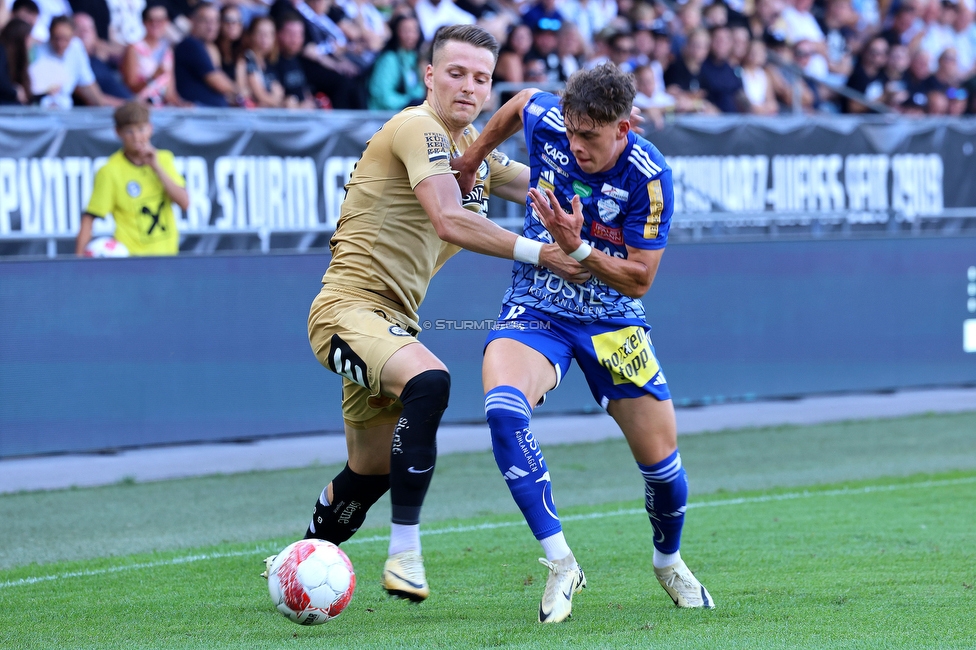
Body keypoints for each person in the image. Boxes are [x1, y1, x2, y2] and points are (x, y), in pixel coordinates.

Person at [273, 24, 585, 604]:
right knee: (431, 380)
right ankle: (405, 552)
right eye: (457, 73)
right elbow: (448, 218)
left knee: (368, 473)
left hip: (392, 321)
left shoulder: (472, 154)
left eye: (482, 77)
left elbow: (555, 185)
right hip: (347, 310)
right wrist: (542, 253)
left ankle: (295, 566)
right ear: (429, 75)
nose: (469, 87)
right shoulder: (417, 127)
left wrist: (613, 155)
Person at [451, 63, 715, 623]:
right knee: (502, 410)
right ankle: (561, 561)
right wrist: (473, 158)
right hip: (536, 306)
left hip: (613, 319)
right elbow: (522, 101)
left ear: (624, 127)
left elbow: (641, 278)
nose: (574, 146)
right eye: (570, 132)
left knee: (664, 470)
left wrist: (577, 251)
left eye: (589, 137)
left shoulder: (650, 176)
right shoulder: (551, 122)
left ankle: (668, 562)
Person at [75, 101, 189, 257]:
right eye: (129, 131)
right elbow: (89, 218)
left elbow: (184, 203)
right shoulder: (110, 171)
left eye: (141, 129)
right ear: (118, 132)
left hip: (167, 258)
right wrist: (78, 264)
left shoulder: (164, 159)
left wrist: (156, 167)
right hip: (133, 263)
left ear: (150, 128)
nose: (137, 137)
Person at [29, 15, 121, 107]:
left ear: (73, 35)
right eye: (56, 38)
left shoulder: (76, 48)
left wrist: (102, 105)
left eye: (65, 39)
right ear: (50, 34)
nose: (60, 44)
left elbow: (87, 84)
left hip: (65, 109)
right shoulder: (37, 51)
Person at [173, 2, 235, 107]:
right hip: (198, 116)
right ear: (192, 21)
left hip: (209, 115)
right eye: (205, 21)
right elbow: (219, 84)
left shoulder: (209, 47)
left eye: (215, 21)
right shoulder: (191, 44)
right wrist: (242, 91)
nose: (211, 26)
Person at [120, 3, 182, 106]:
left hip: (163, 109)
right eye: (151, 20)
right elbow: (130, 88)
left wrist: (180, 103)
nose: (155, 24)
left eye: (160, 20)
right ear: (144, 22)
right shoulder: (134, 49)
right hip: (142, 108)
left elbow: (171, 92)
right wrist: (153, 77)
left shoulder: (168, 51)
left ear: (167, 22)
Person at [367, 14, 426, 110]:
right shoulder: (389, 59)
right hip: (383, 116)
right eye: (406, 31)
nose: (410, 35)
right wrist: (409, 102)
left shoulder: (415, 58)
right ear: (396, 32)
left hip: (407, 112)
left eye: (414, 31)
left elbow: (417, 91)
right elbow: (384, 96)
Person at [235, 15, 286, 108]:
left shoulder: (268, 62)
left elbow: (279, 91)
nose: (265, 38)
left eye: (270, 34)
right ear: (251, 35)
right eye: (260, 33)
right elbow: (260, 95)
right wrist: (283, 104)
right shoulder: (247, 58)